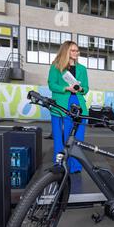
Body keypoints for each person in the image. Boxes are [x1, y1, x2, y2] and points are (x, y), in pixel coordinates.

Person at [47, 40, 89, 174]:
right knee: (60, 137)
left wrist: (81, 88)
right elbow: (51, 85)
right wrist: (66, 88)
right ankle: (59, 165)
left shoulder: (82, 69)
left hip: (78, 104)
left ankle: (75, 166)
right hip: (60, 105)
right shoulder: (56, 66)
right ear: (66, 51)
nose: (76, 53)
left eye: (77, 50)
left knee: (77, 138)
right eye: (73, 50)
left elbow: (87, 88)